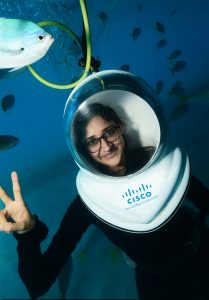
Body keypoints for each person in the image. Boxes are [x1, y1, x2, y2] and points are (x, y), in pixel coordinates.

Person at [0, 103, 209, 300]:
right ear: (82, 150)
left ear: (121, 128)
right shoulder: (89, 202)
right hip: (156, 282)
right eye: (92, 141)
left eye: (109, 132)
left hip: (203, 250)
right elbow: (38, 284)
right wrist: (26, 235)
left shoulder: (160, 164)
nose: (105, 145)